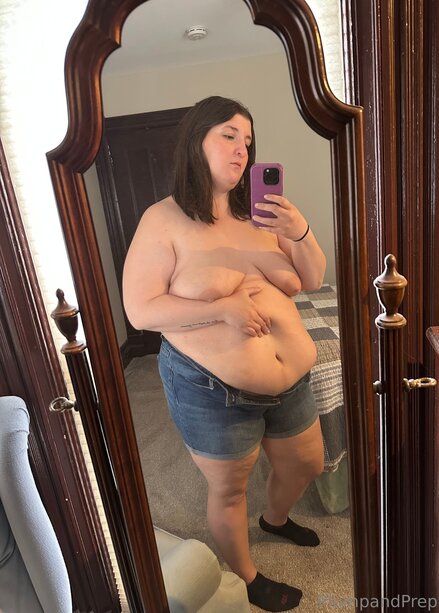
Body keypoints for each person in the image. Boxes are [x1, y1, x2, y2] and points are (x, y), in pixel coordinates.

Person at [123, 96, 327, 612]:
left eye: (248, 141)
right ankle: (246, 576)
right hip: (211, 388)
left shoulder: (259, 213)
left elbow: (311, 278)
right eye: (229, 136)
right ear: (196, 140)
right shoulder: (162, 220)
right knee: (230, 488)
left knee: (307, 463)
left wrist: (298, 230)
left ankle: (275, 520)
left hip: (293, 381)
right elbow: (141, 310)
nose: (242, 150)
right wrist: (222, 309)